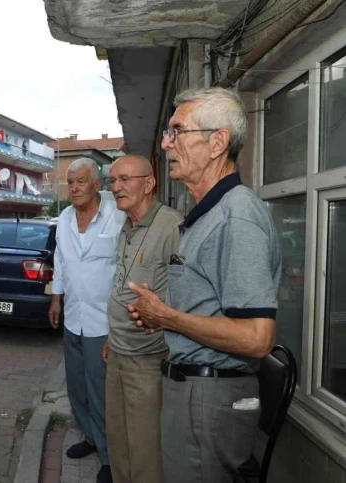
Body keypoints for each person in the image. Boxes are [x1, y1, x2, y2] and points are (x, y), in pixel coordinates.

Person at [127, 87, 281, 483]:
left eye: (177, 131)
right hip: (193, 391)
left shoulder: (236, 216)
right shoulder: (207, 214)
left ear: (217, 143)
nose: (165, 143)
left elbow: (256, 337)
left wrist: (167, 317)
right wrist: (162, 316)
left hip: (209, 398)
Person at [101, 155, 183, 483]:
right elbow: (123, 287)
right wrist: (111, 338)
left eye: (125, 179)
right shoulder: (128, 224)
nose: (116, 187)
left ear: (148, 184)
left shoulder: (172, 227)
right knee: (118, 441)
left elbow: (187, 298)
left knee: (145, 450)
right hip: (118, 352)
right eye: (112, 181)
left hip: (149, 359)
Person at [48, 157, 125, 483]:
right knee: (77, 385)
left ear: (97, 185)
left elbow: (124, 268)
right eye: (71, 182)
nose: (75, 188)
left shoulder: (117, 217)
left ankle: (110, 457)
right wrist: (56, 298)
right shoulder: (65, 218)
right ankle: (91, 438)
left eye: (81, 181)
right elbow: (61, 261)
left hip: (103, 322)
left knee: (101, 390)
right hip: (73, 317)